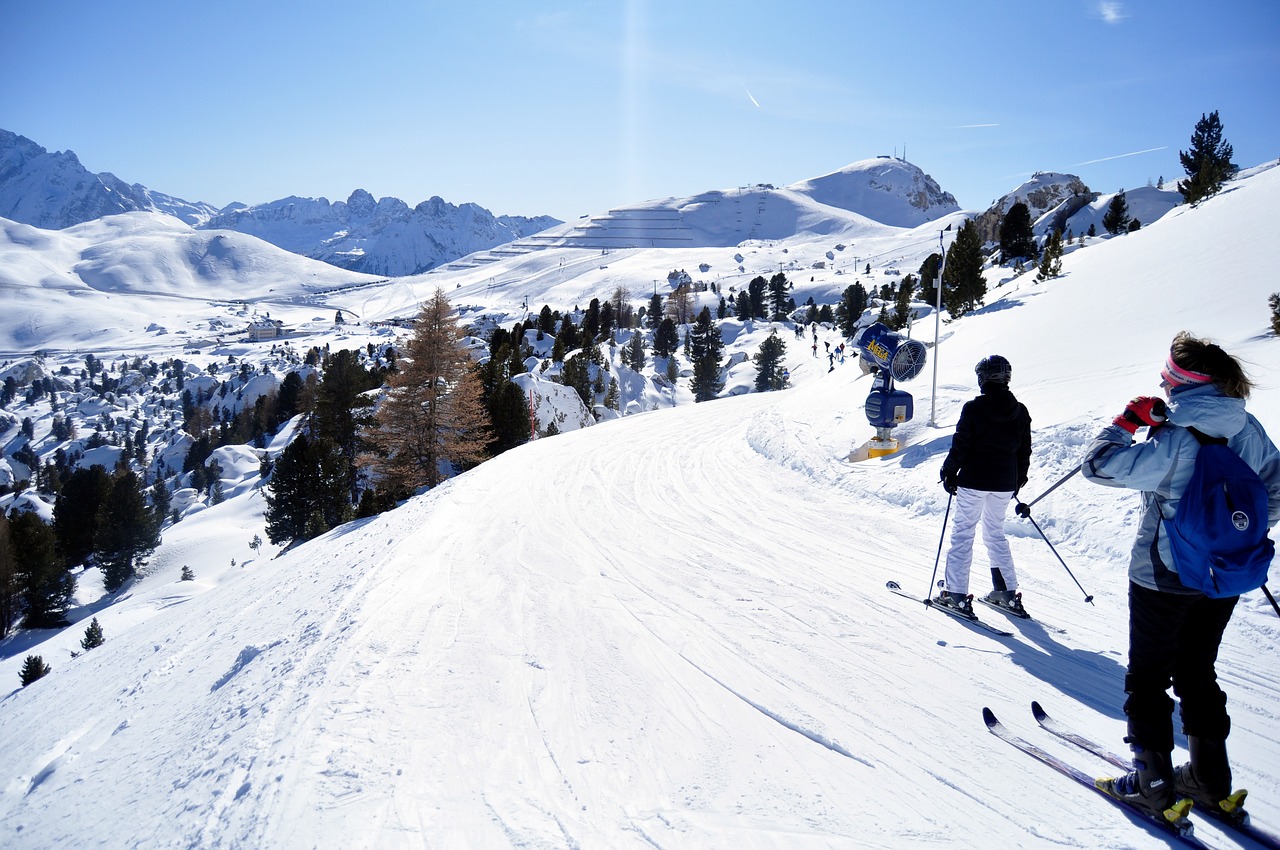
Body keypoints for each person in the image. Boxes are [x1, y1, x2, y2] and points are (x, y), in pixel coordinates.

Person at [1083, 332, 1280, 819]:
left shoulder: (1175, 437)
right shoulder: (1247, 427)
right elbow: (1275, 486)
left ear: (1184, 381)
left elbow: (1098, 468)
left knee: (1147, 678)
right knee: (1197, 670)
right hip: (1224, 575)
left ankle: (1152, 784)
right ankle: (1211, 780)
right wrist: (1233, 535)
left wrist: (1123, 424)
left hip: (1164, 575)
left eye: (1167, 374)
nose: (1163, 381)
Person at [935, 355, 1032, 616]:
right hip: (1003, 483)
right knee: (994, 533)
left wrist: (949, 471)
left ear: (982, 378)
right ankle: (1006, 591)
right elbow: (1024, 451)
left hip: (974, 480)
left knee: (964, 533)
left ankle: (955, 593)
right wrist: (1017, 481)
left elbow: (961, 444)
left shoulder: (974, 408)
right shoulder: (1020, 411)